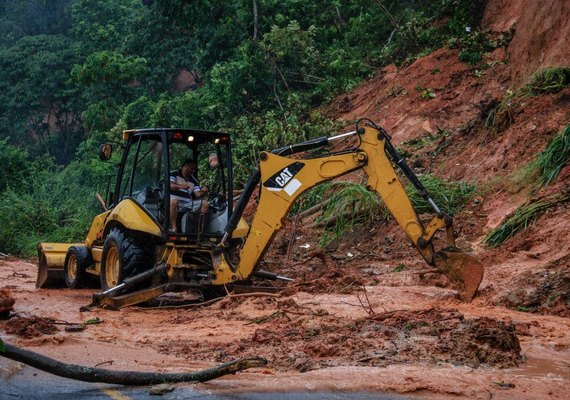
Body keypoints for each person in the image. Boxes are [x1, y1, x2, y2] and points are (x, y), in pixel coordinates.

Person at [169, 159, 208, 233]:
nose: (193, 171)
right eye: (191, 168)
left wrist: (203, 190)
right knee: (174, 202)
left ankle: (200, 230)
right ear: (185, 166)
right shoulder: (175, 173)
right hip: (173, 201)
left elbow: (197, 194)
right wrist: (181, 186)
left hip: (188, 203)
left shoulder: (194, 180)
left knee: (205, 203)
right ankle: (174, 228)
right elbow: (171, 186)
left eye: (194, 169)